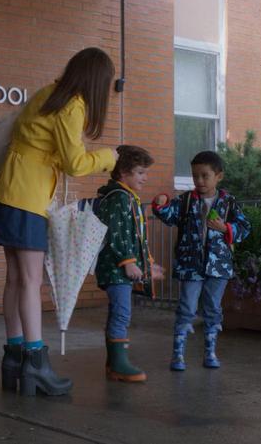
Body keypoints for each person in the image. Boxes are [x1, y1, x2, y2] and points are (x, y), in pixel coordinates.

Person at [0, 47, 118, 396]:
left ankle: (14, 357)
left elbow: (44, 148)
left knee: (15, 278)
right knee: (31, 281)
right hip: (28, 197)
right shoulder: (72, 106)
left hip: (8, 191)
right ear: (96, 81)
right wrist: (110, 157)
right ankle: (35, 363)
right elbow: (76, 164)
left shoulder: (47, 94)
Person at [152, 150, 251, 371]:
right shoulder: (186, 201)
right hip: (190, 266)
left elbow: (245, 228)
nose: (199, 180)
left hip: (218, 266)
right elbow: (169, 216)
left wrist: (226, 228)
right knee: (186, 307)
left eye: (205, 175)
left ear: (219, 176)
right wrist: (160, 204)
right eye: (195, 175)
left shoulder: (228, 202)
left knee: (213, 308)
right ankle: (177, 355)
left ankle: (210, 353)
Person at [93, 145, 164, 382]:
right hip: (114, 268)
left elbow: (136, 236)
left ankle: (113, 362)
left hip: (119, 268)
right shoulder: (118, 198)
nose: (145, 177)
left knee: (118, 312)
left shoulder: (127, 197)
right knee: (122, 313)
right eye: (141, 172)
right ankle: (118, 363)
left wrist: (147, 264)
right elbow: (115, 232)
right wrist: (128, 262)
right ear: (123, 172)